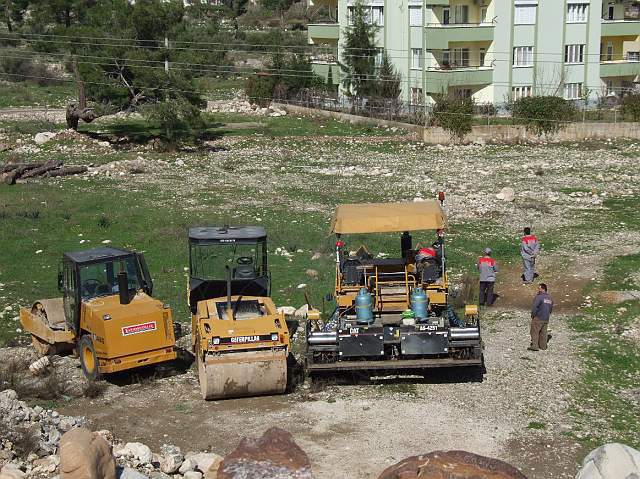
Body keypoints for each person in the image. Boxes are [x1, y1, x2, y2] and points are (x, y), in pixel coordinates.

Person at [529, 283, 553, 351]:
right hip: (546, 318)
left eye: (539, 289)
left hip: (538, 317)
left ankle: (535, 346)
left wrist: (533, 315)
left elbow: (534, 307)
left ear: (543, 289)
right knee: (544, 333)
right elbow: (550, 309)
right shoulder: (550, 298)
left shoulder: (539, 297)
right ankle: (543, 346)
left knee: (534, 331)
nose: (538, 290)